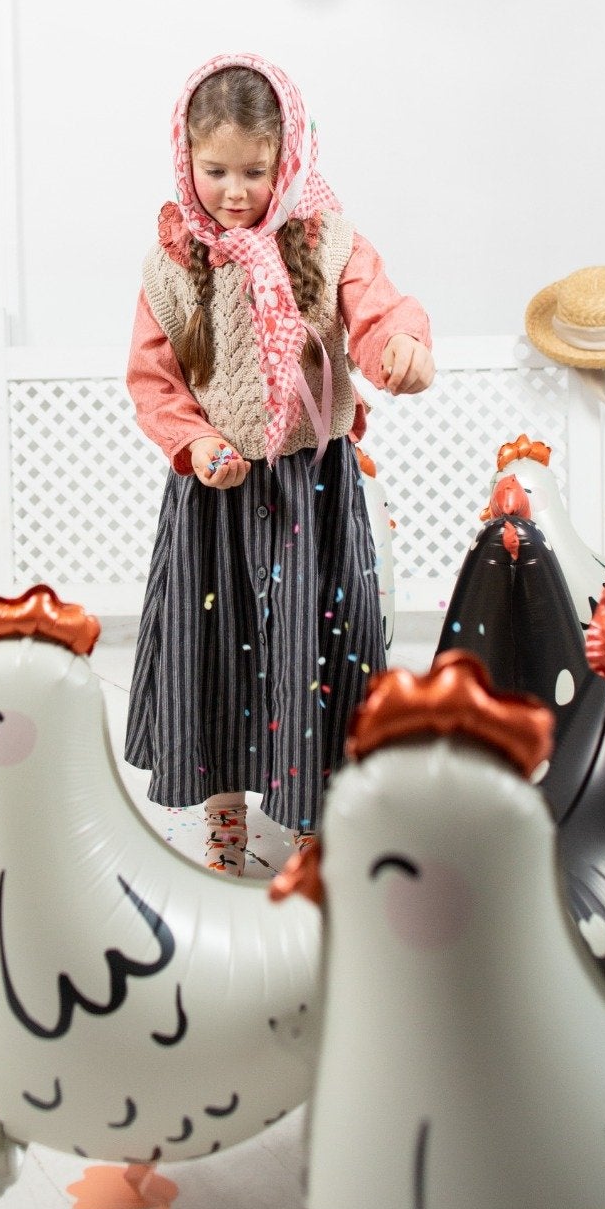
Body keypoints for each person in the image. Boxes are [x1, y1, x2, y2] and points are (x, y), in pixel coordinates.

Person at [125, 53, 434, 875]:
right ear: (184, 158)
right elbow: (154, 379)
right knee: (216, 640)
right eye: (214, 168)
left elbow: (377, 311)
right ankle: (223, 805)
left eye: (254, 171)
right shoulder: (173, 259)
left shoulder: (327, 241)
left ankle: (313, 808)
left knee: (321, 644)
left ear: (288, 158)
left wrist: (399, 345)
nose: (233, 191)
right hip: (215, 493)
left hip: (310, 487)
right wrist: (193, 441)